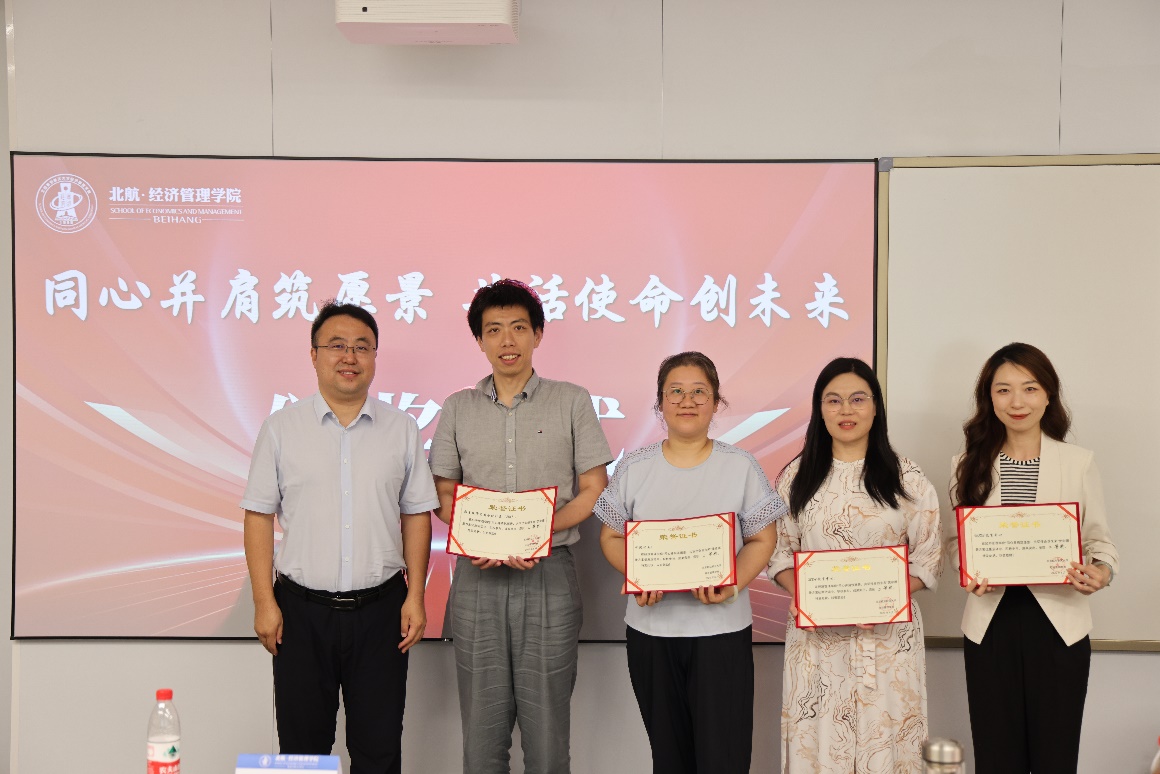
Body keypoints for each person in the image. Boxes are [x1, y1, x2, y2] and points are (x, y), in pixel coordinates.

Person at [241, 301, 438, 774]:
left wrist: (415, 596)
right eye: (336, 345)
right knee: (302, 752)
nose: (349, 356)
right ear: (314, 355)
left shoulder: (402, 429)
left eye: (362, 347)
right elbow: (258, 516)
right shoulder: (281, 429)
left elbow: (416, 515)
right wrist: (264, 602)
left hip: (382, 614)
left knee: (379, 751)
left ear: (374, 357)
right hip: (300, 614)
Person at [429, 278, 613, 774]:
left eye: (517, 328)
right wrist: (476, 537)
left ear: (537, 334)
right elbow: (443, 495)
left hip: (549, 574)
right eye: (493, 330)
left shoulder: (571, 401)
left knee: (547, 735)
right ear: (479, 340)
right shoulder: (457, 407)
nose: (506, 340)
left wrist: (537, 534)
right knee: (481, 736)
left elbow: (593, 488)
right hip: (477, 577)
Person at [594, 351, 783, 774]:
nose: (687, 400)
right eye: (675, 391)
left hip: (722, 633)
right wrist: (639, 575)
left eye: (699, 391)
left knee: (724, 758)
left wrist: (732, 584)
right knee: (669, 758)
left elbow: (762, 538)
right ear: (660, 403)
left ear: (716, 402)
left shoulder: (740, 465)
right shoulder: (635, 467)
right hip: (651, 633)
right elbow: (610, 536)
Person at [950, 343, 1118, 774]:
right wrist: (966, 570)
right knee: (996, 759)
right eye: (1003, 390)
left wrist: (1101, 572)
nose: (1017, 402)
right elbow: (956, 542)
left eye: (1029, 388)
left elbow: (1101, 543)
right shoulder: (966, 464)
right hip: (990, 624)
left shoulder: (1078, 463)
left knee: (1055, 758)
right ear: (989, 398)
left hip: (1060, 626)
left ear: (1048, 395)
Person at [769, 357, 943, 774]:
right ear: (820, 409)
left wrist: (882, 600)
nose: (846, 410)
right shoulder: (795, 478)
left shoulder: (907, 478)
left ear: (876, 407)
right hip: (816, 642)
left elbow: (928, 558)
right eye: (833, 400)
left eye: (858, 399)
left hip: (887, 640)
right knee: (819, 744)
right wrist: (803, 593)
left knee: (888, 744)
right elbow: (779, 554)